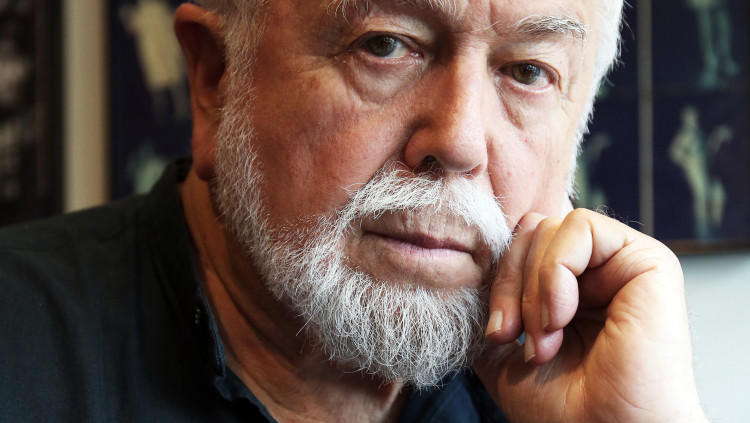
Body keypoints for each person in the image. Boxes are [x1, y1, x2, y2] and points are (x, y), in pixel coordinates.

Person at [0, 0, 708, 421]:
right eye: (385, 45)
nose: (459, 142)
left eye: (528, 71)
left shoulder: (563, 396)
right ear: (217, 79)